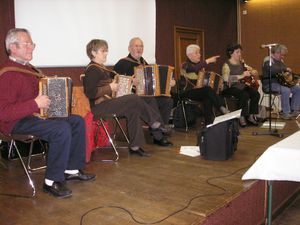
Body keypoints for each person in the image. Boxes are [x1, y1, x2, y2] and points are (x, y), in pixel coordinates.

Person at [0, 28, 96, 198]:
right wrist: (35, 103)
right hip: (15, 122)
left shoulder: (29, 69)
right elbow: (4, 113)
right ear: (12, 48)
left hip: (34, 115)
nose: (31, 47)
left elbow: (39, 98)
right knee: (60, 128)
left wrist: (62, 101)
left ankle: (71, 169)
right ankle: (52, 181)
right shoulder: (7, 74)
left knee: (76, 121)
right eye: (27, 44)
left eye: (32, 44)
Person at [83, 39, 171, 157]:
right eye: (103, 51)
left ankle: (135, 146)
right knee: (133, 98)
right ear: (93, 53)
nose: (106, 53)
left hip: (108, 103)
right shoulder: (92, 69)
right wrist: (110, 87)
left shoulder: (101, 68)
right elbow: (90, 93)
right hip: (99, 108)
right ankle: (155, 123)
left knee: (133, 109)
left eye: (106, 51)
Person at [114, 37, 175, 138]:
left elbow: (155, 79)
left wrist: (169, 82)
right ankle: (159, 135)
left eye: (141, 46)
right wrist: (130, 81)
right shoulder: (122, 63)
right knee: (151, 99)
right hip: (131, 97)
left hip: (145, 96)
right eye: (136, 46)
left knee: (167, 100)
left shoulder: (144, 63)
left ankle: (159, 128)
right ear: (129, 48)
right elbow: (114, 78)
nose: (139, 48)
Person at [180, 44, 230, 126]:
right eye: (197, 53)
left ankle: (208, 124)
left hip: (198, 91)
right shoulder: (184, 65)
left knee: (208, 96)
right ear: (189, 55)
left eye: (199, 53)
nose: (199, 55)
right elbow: (193, 69)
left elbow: (202, 80)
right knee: (207, 90)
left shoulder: (200, 66)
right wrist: (208, 61)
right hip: (187, 92)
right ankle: (221, 107)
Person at [222, 43, 260, 127]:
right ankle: (241, 116)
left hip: (240, 86)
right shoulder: (226, 65)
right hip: (230, 87)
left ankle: (251, 115)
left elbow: (253, 72)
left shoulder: (242, 63)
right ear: (231, 53)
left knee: (255, 94)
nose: (240, 54)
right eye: (237, 52)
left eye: (240, 52)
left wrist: (253, 71)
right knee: (244, 95)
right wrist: (242, 75)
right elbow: (225, 79)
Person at [262, 44, 300, 119]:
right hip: (269, 84)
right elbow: (271, 70)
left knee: (297, 89)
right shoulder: (268, 60)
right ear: (276, 53)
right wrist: (285, 69)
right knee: (286, 90)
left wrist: (288, 74)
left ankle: (294, 110)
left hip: (280, 83)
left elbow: (283, 71)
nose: (283, 57)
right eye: (281, 55)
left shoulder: (280, 61)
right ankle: (285, 113)